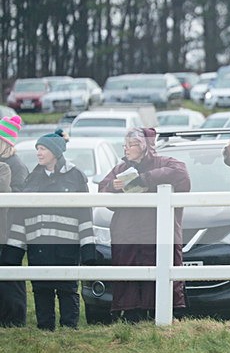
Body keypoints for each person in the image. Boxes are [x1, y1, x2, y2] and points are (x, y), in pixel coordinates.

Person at [1, 129, 97, 330]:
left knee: (68, 290)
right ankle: (45, 334)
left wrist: (88, 250)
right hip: (39, 249)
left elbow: (85, 215)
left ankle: (69, 334)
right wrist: (13, 252)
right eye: (37, 148)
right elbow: (21, 217)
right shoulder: (33, 177)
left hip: (67, 248)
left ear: (55, 151)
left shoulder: (76, 176)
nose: (38, 152)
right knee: (41, 291)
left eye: (42, 148)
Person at [99, 127, 190, 322]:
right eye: (125, 145)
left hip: (159, 234)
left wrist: (144, 179)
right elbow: (103, 193)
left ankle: (164, 316)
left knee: (161, 271)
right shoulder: (119, 170)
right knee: (129, 275)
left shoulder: (166, 163)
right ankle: (131, 316)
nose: (127, 149)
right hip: (127, 235)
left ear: (145, 146)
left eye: (132, 145)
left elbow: (181, 174)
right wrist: (112, 187)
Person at [0, 114, 29, 327]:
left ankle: (15, 318)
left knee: (12, 276)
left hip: (10, 228)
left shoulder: (15, 166)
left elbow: (18, 195)